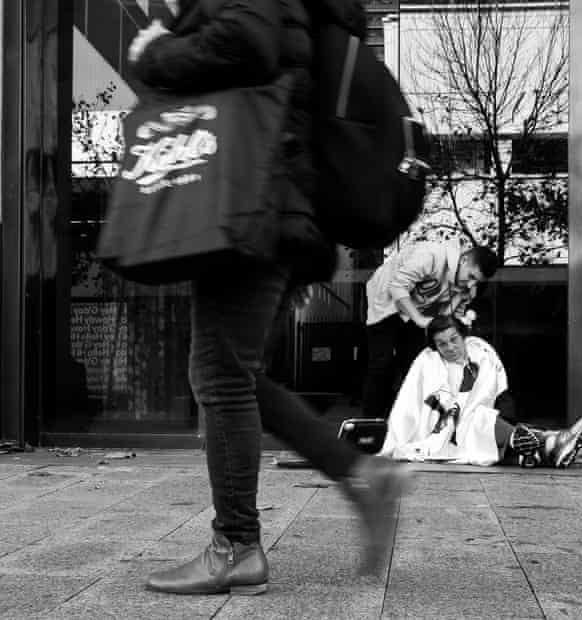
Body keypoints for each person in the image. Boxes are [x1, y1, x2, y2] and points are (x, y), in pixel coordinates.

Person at [128, 0, 411, 596]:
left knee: (220, 374)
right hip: (279, 202)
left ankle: (236, 545)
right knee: (235, 373)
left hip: (252, 199)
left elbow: (243, 43)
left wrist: (156, 50)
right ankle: (360, 474)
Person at [379, 315, 582, 467]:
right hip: (441, 429)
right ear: (435, 347)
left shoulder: (479, 354)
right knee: (478, 421)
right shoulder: (428, 364)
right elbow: (409, 404)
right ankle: (551, 442)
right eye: (442, 344)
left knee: (480, 417)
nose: (451, 347)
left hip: (477, 419)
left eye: (454, 340)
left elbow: (486, 393)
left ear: (463, 336)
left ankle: (546, 446)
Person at [361, 241, 499, 420]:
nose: (471, 283)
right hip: (385, 301)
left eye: (476, 281)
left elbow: (445, 320)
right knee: (382, 362)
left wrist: (457, 299)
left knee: (414, 365)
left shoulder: (468, 289)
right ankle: (370, 421)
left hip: (417, 309)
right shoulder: (430, 255)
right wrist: (419, 319)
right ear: (464, 260)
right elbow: (397, 286)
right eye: (471, 276)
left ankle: (405, 420)